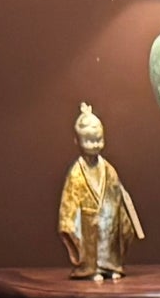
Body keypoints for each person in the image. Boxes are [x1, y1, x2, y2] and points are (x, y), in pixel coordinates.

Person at [57, 104, 143, 282]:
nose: (94, 145)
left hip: (110, 218)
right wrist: (69, 222)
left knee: (111, 241)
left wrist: (123, 216)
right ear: (77, 141)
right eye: (88, 140)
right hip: (88, 222)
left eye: (98, 140)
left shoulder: (109, 169)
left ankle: (112, 266)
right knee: (91, 246)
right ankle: (91, 268)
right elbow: (70, 202)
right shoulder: (76, 173)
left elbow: (117, 193)